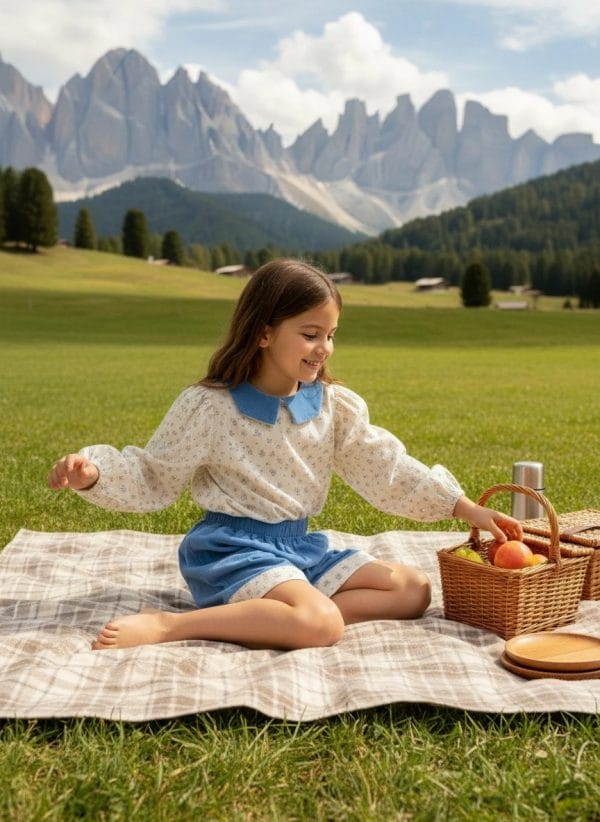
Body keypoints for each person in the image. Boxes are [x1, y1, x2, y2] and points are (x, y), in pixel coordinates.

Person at [47, 258, 522, 652]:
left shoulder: (333, 405)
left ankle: (281, 614)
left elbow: (386, 467)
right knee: (323, 626)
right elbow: (153, 474)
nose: (325, 349)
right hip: (230, 553)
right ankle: (172, 625)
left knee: (413, 589)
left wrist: (465, 508)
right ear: (264, 333)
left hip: (298, 549)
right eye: (311, 333)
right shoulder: (210, 406)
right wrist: (94, 473)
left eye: (332, 334)